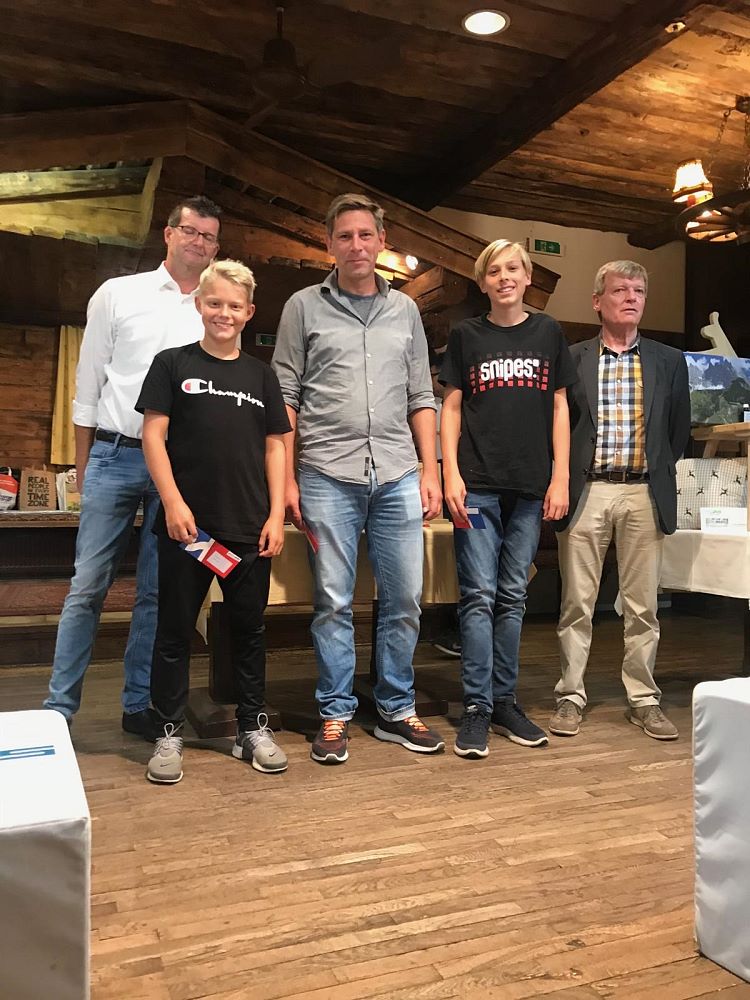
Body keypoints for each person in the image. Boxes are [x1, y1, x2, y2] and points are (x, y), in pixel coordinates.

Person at [272, 192, 445, 764]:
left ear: (381, 242)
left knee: (405, 600)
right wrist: (288, 479)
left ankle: (396, 708)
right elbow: (285, 396)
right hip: (326, 473)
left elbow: (422, 395)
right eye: (344, 236)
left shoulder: (406, 311)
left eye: (365, 235)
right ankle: (335, 712)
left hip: (397, 472)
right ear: (329, 244)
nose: (355, 245)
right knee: (332, 602)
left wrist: (430, 470)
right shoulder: (302, 306)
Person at [43, 196, 221, 732]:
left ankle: (139, 704)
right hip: (115, 454)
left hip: (179, 467)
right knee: (87, 586)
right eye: (190, 231)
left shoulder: (214, 309)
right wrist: (83, 467)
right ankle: (58, 709)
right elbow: (88, 385)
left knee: (157, 591)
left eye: (209, 236)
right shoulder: (118, 294)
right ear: (168, 233)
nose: (199, 242)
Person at [136, 259, 291, 784]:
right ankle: (167, 732)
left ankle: (252, 728)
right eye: (215, 303)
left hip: (248, 528)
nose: (224, 313)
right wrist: (173, 503)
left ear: (249, 312)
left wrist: (275, 514)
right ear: (200, 305)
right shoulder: (171, 364)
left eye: (234, 305)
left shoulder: (262, 375)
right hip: (187, 530)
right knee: (174, 632)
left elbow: (276, 446)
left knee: (249, 632)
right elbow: (153, 436)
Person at [440, 239, 575, 759]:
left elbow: (560, 407)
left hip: (530, 486)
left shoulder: (548, 332)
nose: (504, 277)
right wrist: (450, 473)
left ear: (527, 276)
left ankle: (505, 701)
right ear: (483, 282)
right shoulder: (466, 335)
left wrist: (560, 476)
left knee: (513, 597)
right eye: (494, 270)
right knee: (478, 595)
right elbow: (451, 408)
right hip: (476, 486)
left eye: (513, 268)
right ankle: (476, 706)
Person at [550, 260, 690, 741]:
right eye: (620, 290)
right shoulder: (573, 358)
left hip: (643, 491)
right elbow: (558, 427)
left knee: (643, 606)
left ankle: (644, 699)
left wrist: (656, 473)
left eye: (639, 290)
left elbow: (677, 431)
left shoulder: (669, 360)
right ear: (597, 301)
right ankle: (570, 695)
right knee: (577, 602)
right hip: (587, 490)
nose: (631, 297)